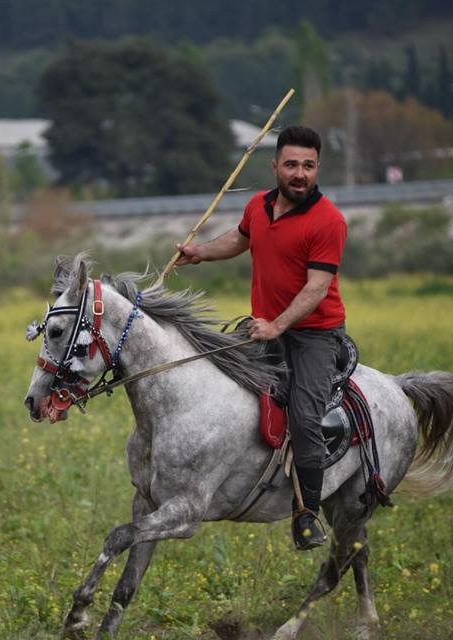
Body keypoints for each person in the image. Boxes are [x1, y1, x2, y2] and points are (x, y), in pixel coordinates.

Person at [175, 125, 347, 550]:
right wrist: (200, 252)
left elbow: (316, 289)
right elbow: (239, 239)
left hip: (314, 336)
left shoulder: (329, 221)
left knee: (306, 420)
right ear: (275, 167)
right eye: (291, 165)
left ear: (318, 167)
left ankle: (306, 514)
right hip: (265, 328)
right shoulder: (258, 206)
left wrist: (276, 326)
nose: (300, 174)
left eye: (308, 166)